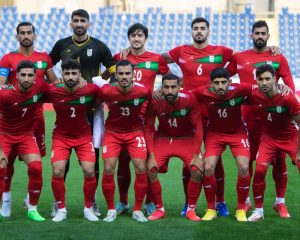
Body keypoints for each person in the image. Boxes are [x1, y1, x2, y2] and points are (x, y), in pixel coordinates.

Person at [161, 17, 234, 216]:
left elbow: (241, 59)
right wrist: (173, 79)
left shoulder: (221, 52)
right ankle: (188, 202)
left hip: (213, 114)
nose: (199, 31)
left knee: (215, 160)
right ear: (191, 31)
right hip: (188, 114)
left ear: (208, 31)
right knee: (189, 160)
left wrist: (272, 49)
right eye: (196, 28)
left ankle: (220, 202)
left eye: (202, 28)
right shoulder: (180, 51)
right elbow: (158, 60)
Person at [49, 8, 116, 216]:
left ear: (88, 24)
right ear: (71, 23)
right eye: (76, 21)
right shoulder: (62, 44)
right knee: (63, 161)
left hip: (91, 108)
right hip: (68, 104)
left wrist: (99, 86)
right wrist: (55, 83)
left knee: (92, 157)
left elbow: (113, 70)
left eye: (83, 21)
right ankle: (57, 202)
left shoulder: (99, 46)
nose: (79, 24)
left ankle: (93, 200)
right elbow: (46, 66)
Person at [226, 20, 295, 214]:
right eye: (256, 33)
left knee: (279, 160)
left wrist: (284, 92)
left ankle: (279, 202)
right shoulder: (239, 57)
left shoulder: (278, 57)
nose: (260, 36)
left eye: (263, 33)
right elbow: (223, 77)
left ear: (268, 35)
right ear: (251, 35)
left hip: (275, 120)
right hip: (249, 119)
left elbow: (289, 86)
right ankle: (247, 200)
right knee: (247, 160)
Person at [0, 21, 58, 217]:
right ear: (17, 36)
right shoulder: (8, 59)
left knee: (35, 163)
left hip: (36, 119)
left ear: (34, 35)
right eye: (22, 33)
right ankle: (6, 199)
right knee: (6, 163)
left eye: (29, 32)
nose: (26, 35)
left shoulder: (44, 58)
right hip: (11, 116)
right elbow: (1, 84)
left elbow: (54, 83)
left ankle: (29, 200)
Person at [112, 23, 170, 215]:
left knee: (146, 162)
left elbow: (171, 78)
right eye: (133, 36)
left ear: (146, 38)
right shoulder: (120, 58)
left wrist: (162, 89)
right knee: (122, 161)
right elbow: (107, 77)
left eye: (140, 35)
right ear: (129, 38)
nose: (136, 39)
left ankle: (150, 202)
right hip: (122, 117)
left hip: (147, 117)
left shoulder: (156, 59)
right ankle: (123, 202)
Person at [191, 68, 252, 222]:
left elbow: (259, 88)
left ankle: (240, 209)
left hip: (238, 133)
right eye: (216, 83)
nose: (220, 86)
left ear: (230, 82)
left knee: (244, 167)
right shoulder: (202, 92)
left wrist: (281, 87)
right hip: (215, 134)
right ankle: (211, 208)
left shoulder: (241, 88)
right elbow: (184, 95)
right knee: (209, 167)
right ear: (210, 83)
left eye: (224, 82)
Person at [96, 60, 151, 223]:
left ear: (133, 74)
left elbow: (152, 108)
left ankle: (137, 210)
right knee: (108, 167)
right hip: (113, 133)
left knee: (141, 167)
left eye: (128, 73)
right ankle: (111, 209)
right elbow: (95, 104)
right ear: (116, 75)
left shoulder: (143, 91)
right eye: (121, 73)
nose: (124, 77)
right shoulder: (107, 91)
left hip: (135, 132)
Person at [46, 59, 100, 222]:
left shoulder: (90, 90)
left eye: (74, 73)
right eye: (67, 73)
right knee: (58, 171)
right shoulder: (53, 90)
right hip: (61, 137)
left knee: (90, 170)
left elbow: (103, 98)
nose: (70, 76)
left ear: (80, 75)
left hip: (83, 136)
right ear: (62, 75)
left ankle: (88, 208)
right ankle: (61, 209)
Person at [144, 73, 203, 221]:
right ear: (161, 88)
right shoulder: (155, 101)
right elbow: (149, 128)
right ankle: (159, 209)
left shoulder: (189, 99)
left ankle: (191, 209)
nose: (169, 91)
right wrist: (150, 156)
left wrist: (196, 155)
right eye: (166, 87)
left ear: (179, 87)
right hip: (164, 139)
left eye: (173, 87)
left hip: (186, 138)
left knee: (197, 170)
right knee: (150, 169)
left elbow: (199, 127)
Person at [247, 64, 300, 221]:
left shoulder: (287, 97)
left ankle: (280, 203)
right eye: (260, 79)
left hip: (290, 138)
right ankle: (258, 210)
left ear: (275, 79)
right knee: (260, 170)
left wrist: (298, 152)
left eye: (267, 79)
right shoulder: (253, 94)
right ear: (256, 80)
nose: (264, 82)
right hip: (269, 139)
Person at [0, 60, 48, 221]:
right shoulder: (5, 94)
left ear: (35, 76)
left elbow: (61, 88)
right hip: (4, 135)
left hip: (26, 135)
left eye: (30, 75)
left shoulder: (40, 87)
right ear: (17, 76)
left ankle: (32, 208)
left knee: (36, 167)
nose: (26, 79)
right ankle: (5, 201)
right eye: (23, 75)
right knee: (1, 167)